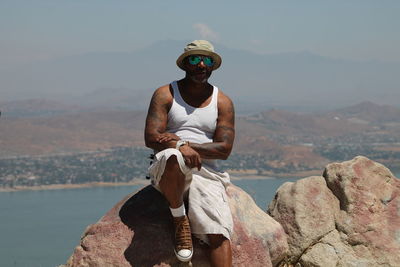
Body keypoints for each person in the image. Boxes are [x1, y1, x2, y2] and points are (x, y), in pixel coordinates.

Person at [144, 40, 235, 266]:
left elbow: (224, 149)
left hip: (206, 171)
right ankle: (179, 220)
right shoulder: (166, 94)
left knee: (219, 232)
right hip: (169, 168)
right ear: (185, 64)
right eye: (195, 59)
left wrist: (184, 142)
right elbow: (151, 137)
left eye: (207, 60)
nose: (201, 65)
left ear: (213, 66)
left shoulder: (222, 101)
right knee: (174, 156)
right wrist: (178, 147)